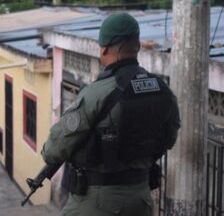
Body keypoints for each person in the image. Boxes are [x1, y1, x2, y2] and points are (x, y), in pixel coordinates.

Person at [41, 13, 180, 216]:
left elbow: (53, 150)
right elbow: (169, 140)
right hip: (141, 199)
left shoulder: (95, 93)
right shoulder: (162, 90)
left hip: (97, 202)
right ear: (138, 45)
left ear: (104, 48)